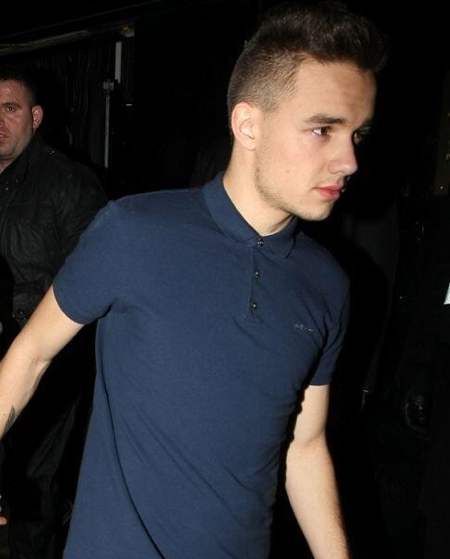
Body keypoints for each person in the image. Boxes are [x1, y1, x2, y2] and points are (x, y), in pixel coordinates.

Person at [0, 3, 386, 558]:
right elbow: (32, 353)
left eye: (357, 135)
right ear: (248, 125)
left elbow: (305, 445)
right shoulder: (134, 231)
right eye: (323, 129)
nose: (348, 160)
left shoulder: (328, 284)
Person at [0, 65, 107, 558]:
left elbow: (92, 283)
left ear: (36, 117)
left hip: (46, 362)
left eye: (10, 108)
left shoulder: (69, 183)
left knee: (31, 488)